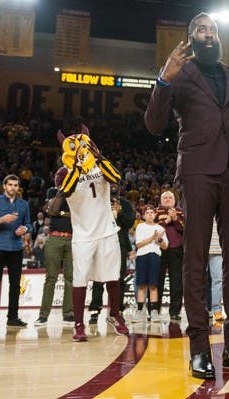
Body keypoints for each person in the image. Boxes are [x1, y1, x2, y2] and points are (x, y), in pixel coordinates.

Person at [144, 12, 229, 379]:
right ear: (191, 38)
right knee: (195, 260)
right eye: (201, 29)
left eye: (213, 30)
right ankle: (198, 347)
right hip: (199, 169)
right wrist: (163, 80)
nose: (209, 34)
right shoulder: (180, 74)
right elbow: (153, 124)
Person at [57, 126, 128, 341]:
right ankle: (79, 324)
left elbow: (116, 177)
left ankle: (114, 314)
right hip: (83, 235)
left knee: (113, 277)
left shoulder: (100, 166)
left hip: (107, 230)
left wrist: (99, 157)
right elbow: (66, 191)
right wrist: (78, 167)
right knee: (80, 280)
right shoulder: (63, 172)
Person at [0, 175, 32, 328]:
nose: (13, 188)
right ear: (4, 186)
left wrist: (25, 229)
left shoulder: (23, 204)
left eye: (16, 185)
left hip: (16, 248)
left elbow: (29, 224)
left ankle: (13, 317)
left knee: (15, 284)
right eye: (10, 185)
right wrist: (0, 220)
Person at [89, 186, 135, 325]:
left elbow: (129, 224)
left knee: (119, 278)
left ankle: (117, 310)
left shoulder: (125, 204)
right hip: (100, 241)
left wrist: (119, 213)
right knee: (98, 277)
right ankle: (94, 310)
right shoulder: (97, 201)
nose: (112, 187)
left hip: (119, 244)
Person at [34, 167, 74, 327]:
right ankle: (43, 315)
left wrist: (62, 214)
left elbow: (78, 214)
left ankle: (68, 314)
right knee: (51, 278)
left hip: (72, 239)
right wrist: (62, 191)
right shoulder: (53, 191)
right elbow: (52, 210)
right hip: (55, 237)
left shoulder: (77, 193)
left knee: (70, 278)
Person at [133, 205, 168, 322]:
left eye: (152, 212)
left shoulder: (160, 228)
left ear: (155, 215)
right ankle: (139, 312)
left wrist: (159, 239)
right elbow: (138, 244)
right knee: (142, 285)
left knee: (153, 285)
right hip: (142, 256)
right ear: (143, 215)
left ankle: (154, 312)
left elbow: (165, 246)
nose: (149, 214)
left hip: (155, 256)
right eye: (147, 213)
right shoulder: (140, 226)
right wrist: (152, 238)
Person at [155, 190, 184, 320]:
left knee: (176, 282)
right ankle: (155, 309)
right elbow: (151, 228)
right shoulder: (155, 212)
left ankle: (175, 311)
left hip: (177, 250)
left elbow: (185, 229)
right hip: (158, 250)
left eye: (170, 197)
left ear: (175, 199)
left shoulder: (181, 212)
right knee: (157, 281)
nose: (167, 199)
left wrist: (176, 219)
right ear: (161, 201)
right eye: (165, 198)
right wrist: (166, 221)